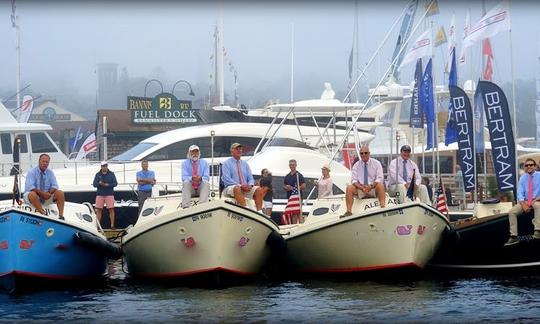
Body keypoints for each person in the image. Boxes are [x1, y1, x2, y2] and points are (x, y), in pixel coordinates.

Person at [342, 145, 385, 217]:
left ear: (369, 153)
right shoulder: (356, 165)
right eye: (362, 153)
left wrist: (370, 186)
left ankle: (383, 208)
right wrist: (362, 187)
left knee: (380, 185)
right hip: (361, 189)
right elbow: (353, 180)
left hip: (373, 188)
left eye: (365, 153)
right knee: (349, 188)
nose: (363, 155)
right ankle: (348, 211)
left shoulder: (376, 163)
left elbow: (379, 178)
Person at [505, 158, 540, 246]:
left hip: (536, 200)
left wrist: (537, 198)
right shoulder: (522, 178)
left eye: (531, 165)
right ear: (524, 167)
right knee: (511, 212)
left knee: (538, 206)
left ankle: (537, 230)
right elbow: (520, 192)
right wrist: (523, 203)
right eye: (527, 165)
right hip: (525, 201)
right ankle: (514, 236)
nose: (529, 166)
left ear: (535, 166)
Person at [221, 142, 264, 211]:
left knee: (258, 189)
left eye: (240, 149)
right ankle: (245, 209)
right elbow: (227, 179)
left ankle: (260, 212)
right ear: (232, 151)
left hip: (244, 188)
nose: (239, 150)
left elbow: (250, 178)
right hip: (230, 188)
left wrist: (250, 185)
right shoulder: (226, 163)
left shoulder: (245, 164)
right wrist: (241, 186)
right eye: (236, 149)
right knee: (237, 188)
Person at [23, 153, 65, 219]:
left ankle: (61, 216)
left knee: (60, 193)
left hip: (46, 197)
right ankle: (43, 213)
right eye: (43, 161)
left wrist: (49, 193)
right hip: (32, 197)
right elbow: (31, 187)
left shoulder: (50, 172)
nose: (45, 163)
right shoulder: (31, 172)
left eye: (47, 162)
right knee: (32, 194)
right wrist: (43, 194)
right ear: (39, 161)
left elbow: (55, 186)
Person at [93, 161, 118, 229]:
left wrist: (108, 185)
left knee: (111, 209)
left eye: (105, 166)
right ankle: (97, 226)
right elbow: (94, 184)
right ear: (101, 166)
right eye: (103, 166)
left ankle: (112, 225)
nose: (104, 167)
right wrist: (100, 184)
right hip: (100, 194)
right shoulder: (97, 174)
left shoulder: (111, 174)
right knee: (99, 210)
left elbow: (115, 183)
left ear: (107, 166)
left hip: (109, 194)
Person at [284, 159, 306, 224]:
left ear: (296, 165)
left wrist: (293, 188)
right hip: (290, 197)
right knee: (293, 213)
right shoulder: (287, 176)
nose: (292, 166)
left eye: (293, 165)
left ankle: (301, 227)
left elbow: (304, 186)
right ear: (289, 166)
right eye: (290, 165)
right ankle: (294, 227)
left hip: (298, 197)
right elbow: (284, 185)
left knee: (299, 213)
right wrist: (286, 187)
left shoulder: (299, 175)